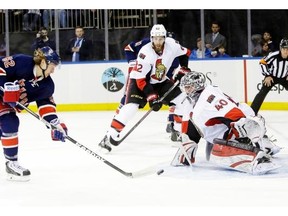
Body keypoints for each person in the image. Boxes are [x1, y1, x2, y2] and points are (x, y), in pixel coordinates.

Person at [98, 24, 191, 153]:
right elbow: (141, 80)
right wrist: (152, 97)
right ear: (151, 38)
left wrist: (184, 68)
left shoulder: (172, 45)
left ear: (164, 38)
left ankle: (178, 132)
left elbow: (185, 53)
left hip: (160, 81)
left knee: (184, 101)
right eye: (155, 38)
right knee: (131, 108)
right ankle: (109, 136)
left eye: (161, 38)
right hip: (139, 82)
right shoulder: (145, 52)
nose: (158, 42)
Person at [171, 71, 281, 175]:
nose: (186, 90)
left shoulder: (208, 97)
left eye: (188, 87)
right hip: (219, 132)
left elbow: (233, 114)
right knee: (209, 156)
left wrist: (242, 135)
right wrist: (186, 146)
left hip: (233, 129)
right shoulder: (193, 100)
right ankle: (260, 143)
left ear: (197, 86)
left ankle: (256, 151)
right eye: (185, 87)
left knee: (217, 154)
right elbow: (188, 125)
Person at [0, 46, 68, 181]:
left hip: (5, 104)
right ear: (43, 62)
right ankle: (12, 163)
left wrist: (55, 125)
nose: (53, 70)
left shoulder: (47, 85)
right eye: (52, 66)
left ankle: (12, 164)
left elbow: (45, 107)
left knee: (8, 124)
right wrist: (4, 88)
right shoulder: (21, 61)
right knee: (10, 122)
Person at [121, 32, 180, 136]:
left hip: (157, 81)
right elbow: (128, 48)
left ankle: (171, 123)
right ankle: (116, 125)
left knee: (176, 99)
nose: (161, 44)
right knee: (127, 100)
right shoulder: (148, 43)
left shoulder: (174, 56)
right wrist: (133, 63)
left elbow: (168, 76)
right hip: (139, 77)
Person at [251, 38, 288, 115]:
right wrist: (267, 75)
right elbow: (262, 62)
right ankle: (252, 113)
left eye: (287, 49)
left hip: (285, 78)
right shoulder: (273, 55)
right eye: (284, 49)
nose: (286, 51)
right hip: (272, 77)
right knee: (261, 93)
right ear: (280, 48)